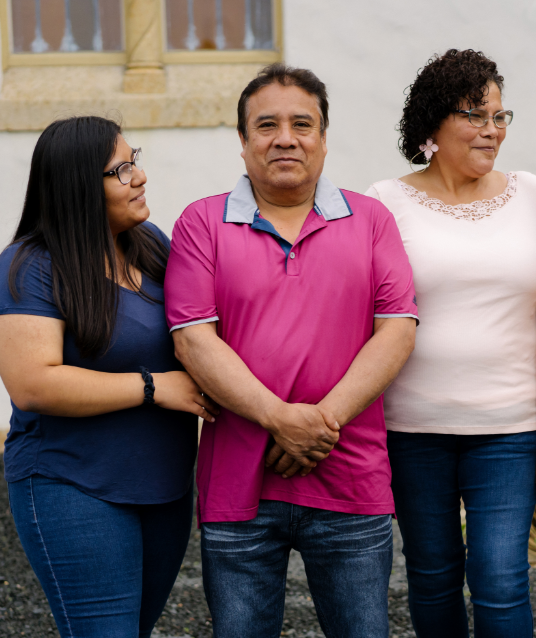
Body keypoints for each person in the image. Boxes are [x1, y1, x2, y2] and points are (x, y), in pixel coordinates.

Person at [164, 63, 418, 638]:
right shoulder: (201, 223)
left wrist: (319, 425)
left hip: (350, 479)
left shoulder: (371, 220)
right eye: (266, 125)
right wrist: (281, 419)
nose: (285, 137)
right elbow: (192, 338)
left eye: (302, 124)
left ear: (324, 139)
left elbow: (398, 329)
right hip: (239, 487)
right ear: (243, 141)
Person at [0, 116, 219, 638]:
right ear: (78, 185)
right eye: (119, 170)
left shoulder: (153, 247)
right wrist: (153, 387)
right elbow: (34, 383)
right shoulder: (30, 267)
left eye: (134, 160)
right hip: (73, 486)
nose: (139, 177)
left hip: (164, 486)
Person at [364, 49, 536, 638]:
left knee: (501, 576)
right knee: (433, 575)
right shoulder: (383, 201)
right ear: (433, 124)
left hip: (512, 426)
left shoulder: (531, 195)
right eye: (475, 115)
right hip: (414, 428)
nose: (493, 130)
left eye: (500, 116)